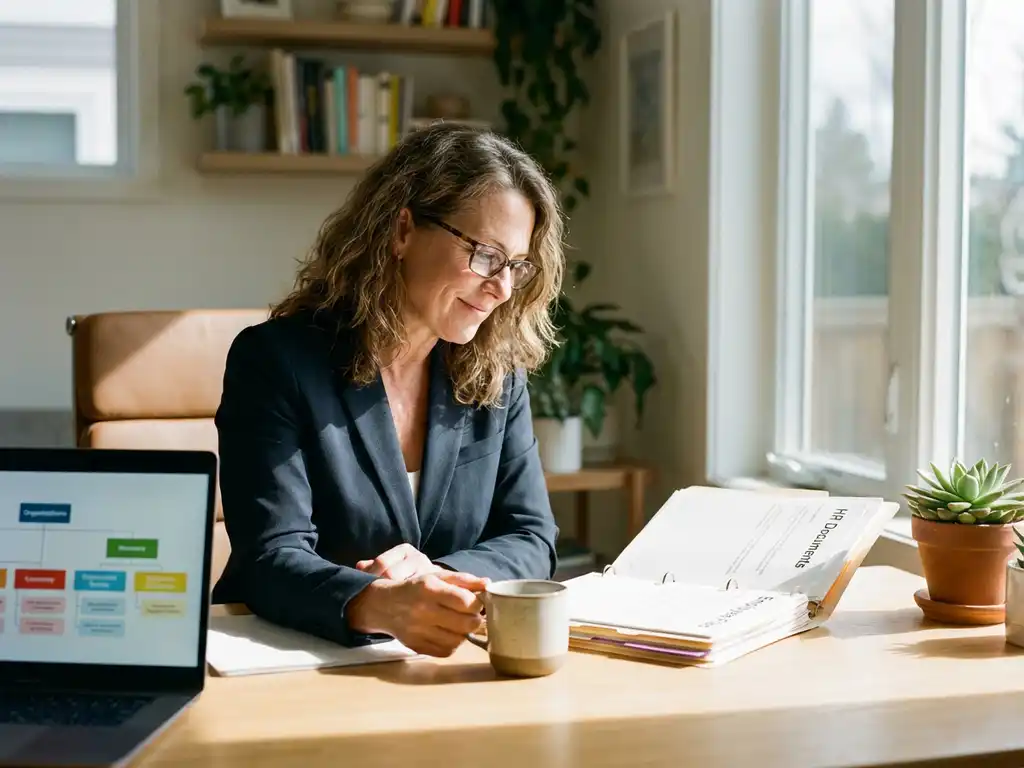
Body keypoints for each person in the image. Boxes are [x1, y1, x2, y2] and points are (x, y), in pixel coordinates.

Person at [211, 123, 565, 659]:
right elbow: (270, 558)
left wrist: (437, 580)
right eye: (486, 255)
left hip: (438, 668)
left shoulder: (497, 373)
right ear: (402, 230)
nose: (503, 287)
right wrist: (379, 603)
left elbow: (531, 537)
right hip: (290, 665)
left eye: (516, 265)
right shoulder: (275, 362)